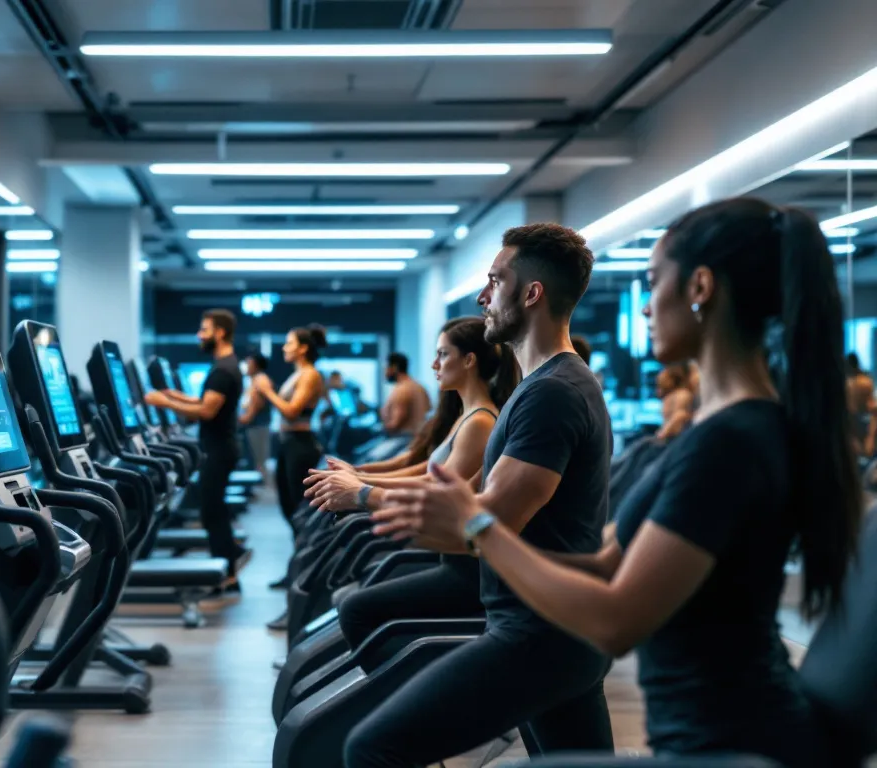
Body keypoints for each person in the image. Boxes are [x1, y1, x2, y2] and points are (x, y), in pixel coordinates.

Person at [375, 199, 860, 768]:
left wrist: (479, 526)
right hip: (709, 733)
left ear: (700, 286)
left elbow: (617, 619)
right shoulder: (724, 428)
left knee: (375, 747)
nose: (647, 307)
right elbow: (608, 563)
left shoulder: (733, 440)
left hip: (730, 746)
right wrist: (465, 522)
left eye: (654, 283)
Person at [340, 223, 615, 766]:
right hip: (548, 627)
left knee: (373, 749)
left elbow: (488, 525)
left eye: (494, 280)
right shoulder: (539, 388)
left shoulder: (554, 394)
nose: (482, 296)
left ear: (531, 293)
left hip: (539, 637)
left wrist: (364, 498)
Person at [304, 316, 519, 648]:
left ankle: (392, 691)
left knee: (354, 608)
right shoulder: (467, 415)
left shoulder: (480, 421)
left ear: (469, 360)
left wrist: (361, 491)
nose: (434, 364)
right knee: (351, 593)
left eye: (443, 354)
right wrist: (356, 478)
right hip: (444, 553)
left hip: (461, 565)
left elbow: (439, 494)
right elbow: (423, 472)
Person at [144, 309, 250, 588]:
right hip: (220, 447)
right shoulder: (225, 366)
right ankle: (232, 560)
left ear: (220, 332)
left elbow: (206, 411)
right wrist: (175, 396)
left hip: (219, 449)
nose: (199, 335)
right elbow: (205, 402)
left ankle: (228, 572)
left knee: (211, 511)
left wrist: (164, 403)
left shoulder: (223, 370)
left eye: (204, 330)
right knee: (213, 509)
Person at [253, 324, 328, 620]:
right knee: (289, 512)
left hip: (301, 444)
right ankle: (294, 572)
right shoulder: (299, 373)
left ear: (303, 348)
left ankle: (303, 581)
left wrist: (267, 391)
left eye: (288, 343)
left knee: (299, 514)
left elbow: (291, 410)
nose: (284, 348)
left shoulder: (311, 375)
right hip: (288, 443)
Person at [238, 352, 274, 484]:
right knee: (258, 459)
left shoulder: (260, 381)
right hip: (255, 426)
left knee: (260, 459)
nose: (246, 366)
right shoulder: (254, 381)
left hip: (258, 426)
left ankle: (263, 487)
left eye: (248, 363)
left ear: (256, 365)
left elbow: (252, 411)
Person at [380, 353, 432, 435]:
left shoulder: (401, 390)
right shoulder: (420, 387)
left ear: (394, 368)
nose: (385, 372)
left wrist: (379, 429)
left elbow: (396, 422)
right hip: (420, 438)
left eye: (386, 368)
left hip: (403, 440)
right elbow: (428, 411)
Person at [846, 352, 875, 457]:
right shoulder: (866, 381)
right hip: (862, 417)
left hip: (857, 417)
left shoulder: (852, 383)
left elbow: (852, 407)